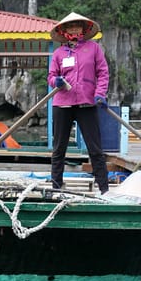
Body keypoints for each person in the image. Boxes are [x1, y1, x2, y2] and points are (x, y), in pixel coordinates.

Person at [47, 12, 110, 193]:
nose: (74, 29)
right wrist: (56, 81)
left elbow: (103, 73)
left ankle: (104, 189)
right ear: (64, 30)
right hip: (63, 103)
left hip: (87, 102)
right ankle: (56, 187)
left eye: (77, 26)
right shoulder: (59, 53)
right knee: (59, 148)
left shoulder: (93, 48)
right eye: (70, 26)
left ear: (83, 29)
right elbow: (51, 76)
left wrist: (100, 93)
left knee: (95, 148)